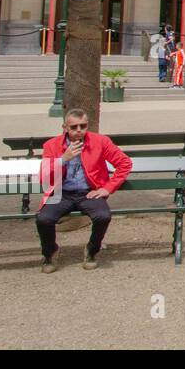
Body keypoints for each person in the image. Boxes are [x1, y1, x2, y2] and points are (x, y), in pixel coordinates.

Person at [36, 109, 132, 272]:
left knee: (103, 216)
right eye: (74, 127)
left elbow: (125, 163)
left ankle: (91, 250)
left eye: (83, 126)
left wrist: (107, 188)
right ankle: (50, 252)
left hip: (89, 192)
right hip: (61, 193)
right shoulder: (52, 145)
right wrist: (63, 159)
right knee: (43, 219)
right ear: (65, 127)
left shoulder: (100, 142)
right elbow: (44, 177)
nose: (79, 130)